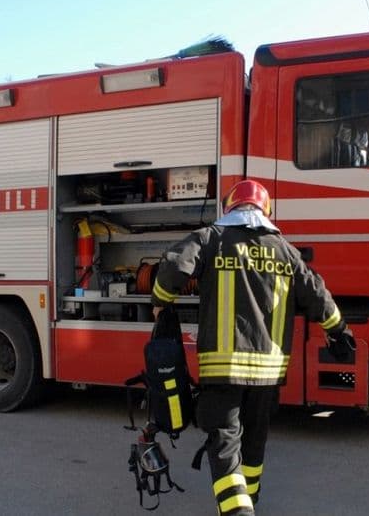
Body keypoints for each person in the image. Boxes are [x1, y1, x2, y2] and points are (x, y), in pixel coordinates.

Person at [151, 179, 355, 516]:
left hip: (223, 368)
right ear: (265, 211)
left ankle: (238, 512)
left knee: (225, 443)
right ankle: (250, 500)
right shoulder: (285, 250)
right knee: (254, 441)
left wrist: (161, 301)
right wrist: (339, 332)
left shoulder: (211, 238)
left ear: (230, 208)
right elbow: (318, 295)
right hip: (268, 375)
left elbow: (173, 266)